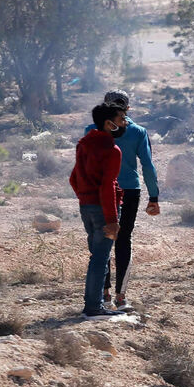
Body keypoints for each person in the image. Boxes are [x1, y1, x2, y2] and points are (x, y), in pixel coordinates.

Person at [84, 89, 161, 311]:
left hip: (100, 191)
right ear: (127, 108)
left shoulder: (92, 130)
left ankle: (104, 295)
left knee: (103, 239)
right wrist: (153, 196)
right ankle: (121, 296)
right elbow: (147, 165)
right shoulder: (138, 132)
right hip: (129, 190)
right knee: (124, 239)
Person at [70, 103, 126, 318]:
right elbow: (107, 185)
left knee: (97, 256)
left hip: (87, 208)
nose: (124, 123)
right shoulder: (112, 151)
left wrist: (85, 198)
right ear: (108, 123)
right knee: (100, 258)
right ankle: (93, 307)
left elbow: (73, 178)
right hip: (104, 210)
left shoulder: (83, 144)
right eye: (121, 119)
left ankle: (94, 304)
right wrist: (112, 220)